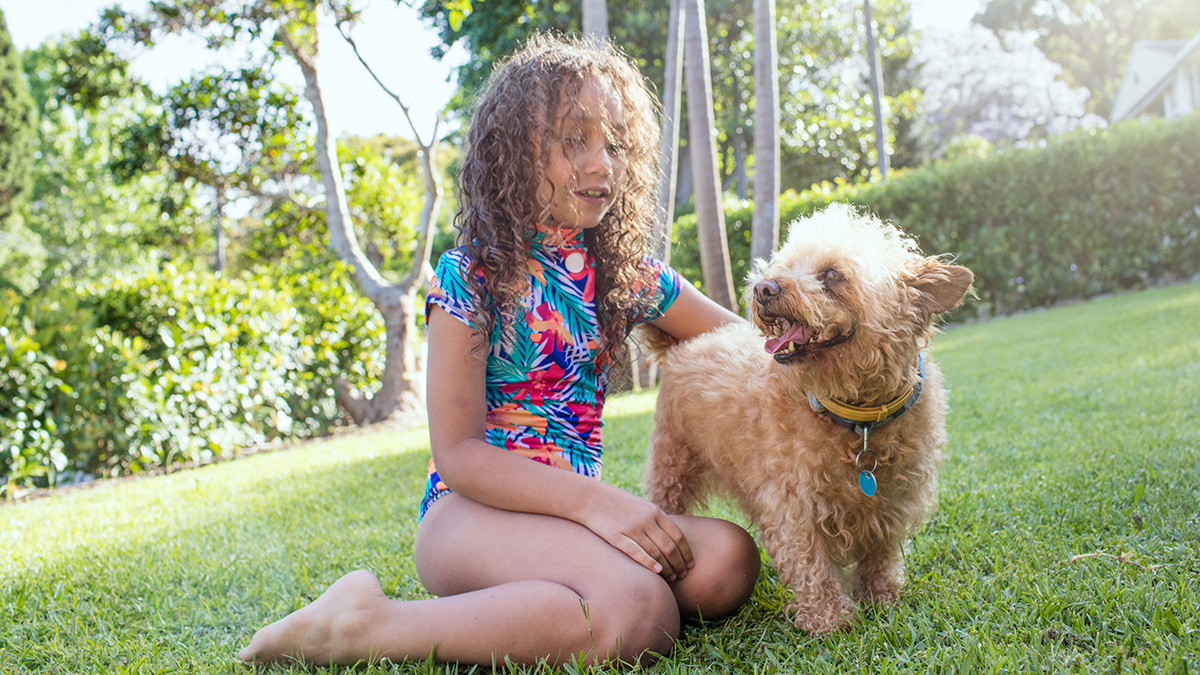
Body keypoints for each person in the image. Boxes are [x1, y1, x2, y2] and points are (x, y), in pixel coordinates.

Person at [237, 33, 760, 669]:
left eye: (616, 143)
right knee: (637, 613)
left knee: (727, 562)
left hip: (567, 518)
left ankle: (549, 607)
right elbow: (459, 455)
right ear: (515, 150)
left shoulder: (627, 274)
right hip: (470, 516)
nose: (602, 164)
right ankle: (361, 623)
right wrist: (600, 504)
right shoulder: (470, 276)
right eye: (575, 140)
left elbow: (745, 344)